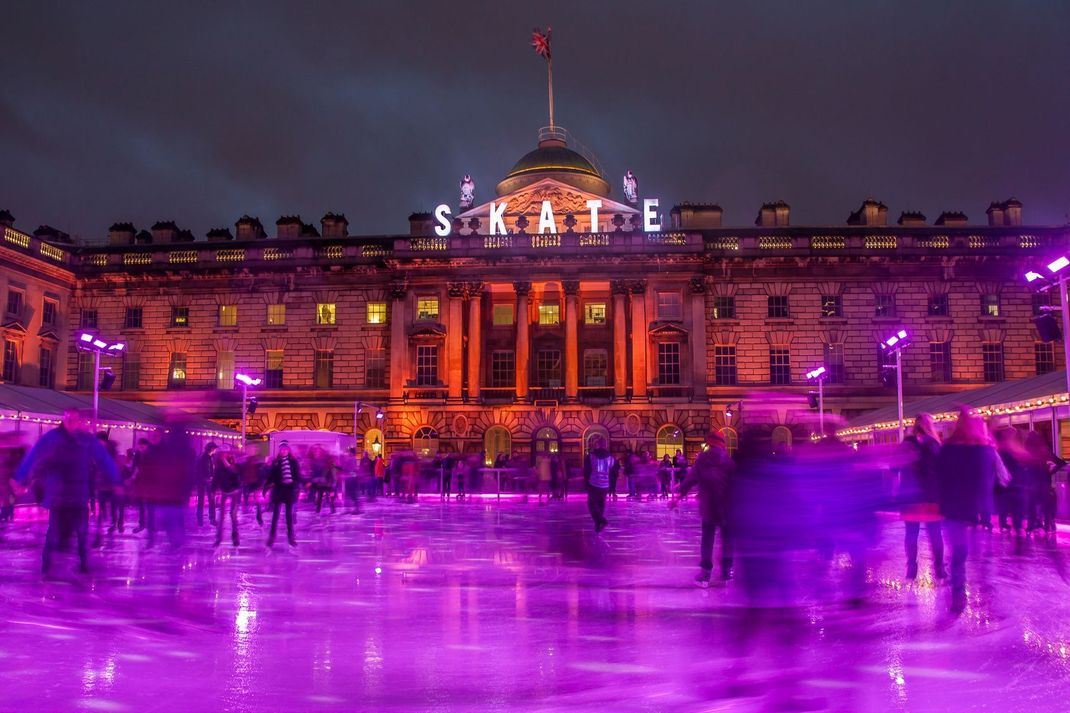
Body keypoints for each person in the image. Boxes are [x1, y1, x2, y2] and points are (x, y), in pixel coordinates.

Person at [14, 408, 119, 574]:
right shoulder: (53, 438)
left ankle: (83, 565)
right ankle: (46, 566)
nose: (70, 422)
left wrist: (116, 480)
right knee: (54, 531)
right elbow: (33, 455)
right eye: (67, 419)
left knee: (81, 533)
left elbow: (103, 459)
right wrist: (20, 477)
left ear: (78, 421)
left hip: (78, 494)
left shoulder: (86, 440)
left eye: (74, 420)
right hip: (59, 495)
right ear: (63, 419)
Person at [937, 409, 1006, 614]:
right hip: (975, 512)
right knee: (979, 557)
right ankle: (985, 593)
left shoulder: (948, 449)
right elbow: (991, 481)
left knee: (959, 554)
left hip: (955, 511)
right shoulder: (982, 450)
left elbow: (941, 479)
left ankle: (959, 595)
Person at [676, 431, 735, 586]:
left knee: (707, 539)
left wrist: (678, 496)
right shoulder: (728, 461)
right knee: (727, 538)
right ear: (722, 443)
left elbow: (691, 479)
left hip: (708, 506)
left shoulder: (703, 458)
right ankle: (727, 571)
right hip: (726, 506)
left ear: (709, 442)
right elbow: (736, 485)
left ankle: (706, 572)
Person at [898, 413, 946, 580]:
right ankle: (939, 568)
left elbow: (894, 467)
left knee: (911, 534)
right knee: (935, 534)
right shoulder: (934, 444)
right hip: (931, 496)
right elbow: (943, 470)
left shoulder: (906, 444)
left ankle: (911, 566)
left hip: (910, 496)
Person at [265, 442, 301, 547]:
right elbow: (271, 476)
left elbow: (297, 475)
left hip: (289, 490)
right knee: (275, 515)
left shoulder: (294, 462)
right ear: (279, 451)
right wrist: (266, 486)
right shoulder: (276, 462)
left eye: (285, 449)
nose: (283, 451)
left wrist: (297, 485)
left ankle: (291, 537)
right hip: (279, 490)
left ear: (288, 450)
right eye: (281, 450)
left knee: (288, 516)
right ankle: (272, 536)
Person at [212, 445, 242, 547]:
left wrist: (226, 462)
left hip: (234, 493)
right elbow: (215, 479)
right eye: (222, 453)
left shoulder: (233, 463)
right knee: (221, 517)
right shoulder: (218, 467)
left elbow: (235, 473)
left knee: (233, 516)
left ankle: (235, 538)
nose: (224, 455)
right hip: (224, 492)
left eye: (226, 453)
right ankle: (218, 539)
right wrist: (213, 491)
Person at [584, 436, 614, 532]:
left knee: (591, 503)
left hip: (594, 483)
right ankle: (598, 524)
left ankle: (601, 520)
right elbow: (613, 470)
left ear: (598, 444)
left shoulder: (591, 456)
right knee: (601, 503)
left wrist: (586, 483)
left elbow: (587, 471)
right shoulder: (610, 457)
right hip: (605, 484)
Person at [195, 442, 218, 527]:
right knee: (205, 501)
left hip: (207, 481)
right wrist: (207, 478)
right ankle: (204, 519)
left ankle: (208, 519)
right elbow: (200, 470)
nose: (215, 450)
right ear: (211, 449)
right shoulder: (204, 457)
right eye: (215, 448)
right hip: (204, 482)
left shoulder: (209, 457)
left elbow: (211, 469)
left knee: (208, 501)